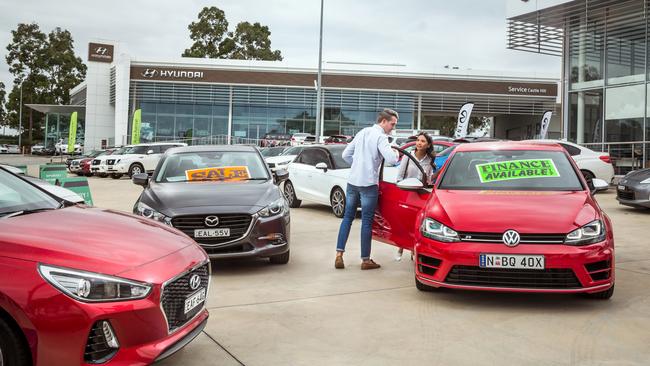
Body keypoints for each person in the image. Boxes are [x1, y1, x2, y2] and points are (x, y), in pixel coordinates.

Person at [335, 108, 399, 270]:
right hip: (369, 184)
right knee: (366, 222)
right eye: (392, 124)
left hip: (353, 182)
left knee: (347, 218)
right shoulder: (381, 137)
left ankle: (339, 255)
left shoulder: (363, 132)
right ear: (383, 121)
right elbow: (391, 159)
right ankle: (365, 260)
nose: (393, 127)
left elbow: (345, 155)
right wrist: (396, 152)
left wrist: (358, 166)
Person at [395, 132, 436, 261]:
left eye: (423, 141)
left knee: (416, 224)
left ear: (428, 145)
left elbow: (428, 179)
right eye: (418, 140)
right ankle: (401, 246)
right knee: (404, 222)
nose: (419, 143)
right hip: (407, 192)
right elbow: (399, 177)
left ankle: (413, 249)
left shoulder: (430, 160)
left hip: (421, 195)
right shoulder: (408, 156)